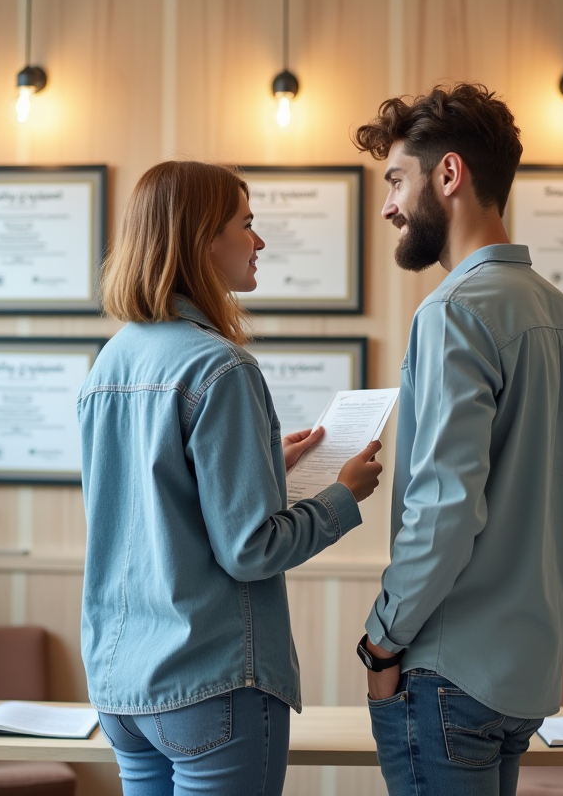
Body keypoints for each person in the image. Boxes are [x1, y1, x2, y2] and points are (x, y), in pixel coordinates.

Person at [78, 160, 383, 796]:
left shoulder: (110, 362)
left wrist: (267, 460)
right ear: (202, 240)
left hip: (122, 688)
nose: (259, 242)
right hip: (211, 683)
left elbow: (150, 504)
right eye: (246, 224)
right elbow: (251, 551)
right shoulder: (221, 368)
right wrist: (341, 497)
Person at [350, 83, 563, 795]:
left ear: (448, 174)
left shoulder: (453, 313)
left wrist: (380, 640)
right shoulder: (561, 317)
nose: (390, 205)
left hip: (446, 674)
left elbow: (444, 510)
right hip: (522, 679)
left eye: (397, 180)